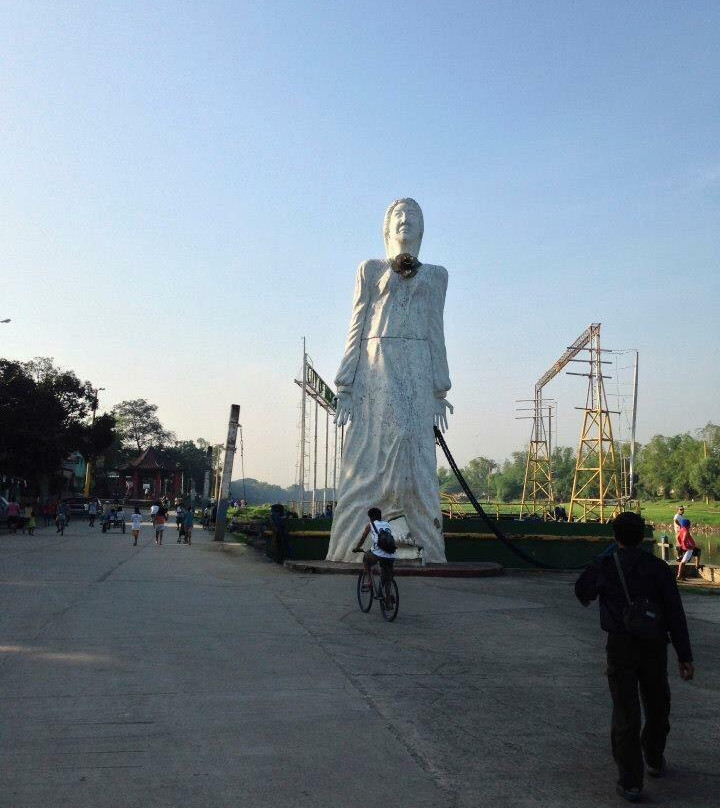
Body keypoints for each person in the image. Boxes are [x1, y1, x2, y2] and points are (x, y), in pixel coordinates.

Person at [327, 199, 452, 563]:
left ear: (423, 227)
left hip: (417, 366)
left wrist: (439, 388)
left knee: (412, 446)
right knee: (376, 448)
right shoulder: (369, 270)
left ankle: (421, 540)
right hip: (375, 366)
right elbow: (356, 325)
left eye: (413, 215)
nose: (405, 220)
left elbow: (436, 331)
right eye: (398, 215)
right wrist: (345, 386)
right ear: (386, 227)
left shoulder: (437, 275)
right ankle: (358, 539)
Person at [575, 512, 694, 802]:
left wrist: (602, 560)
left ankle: (630, 781)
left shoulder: (606, 565)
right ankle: (653, 757)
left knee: (625, 712)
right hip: (654, 646)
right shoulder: (658, 568)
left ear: (615, 536)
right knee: (657, 705)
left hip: (620, 646)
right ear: (643, 536)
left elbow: (583, 592)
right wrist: (684, 655)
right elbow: (675, 614)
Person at [352, 507, 396, 602]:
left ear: (371, 517)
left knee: (366, 558)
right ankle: (387, 600)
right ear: (380, 516)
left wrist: (357, 548)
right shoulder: (387, 524)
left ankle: (369, 581)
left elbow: (362, 539)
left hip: (377, 554)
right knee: (387, 577)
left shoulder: (370, 525)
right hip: (391, 555)